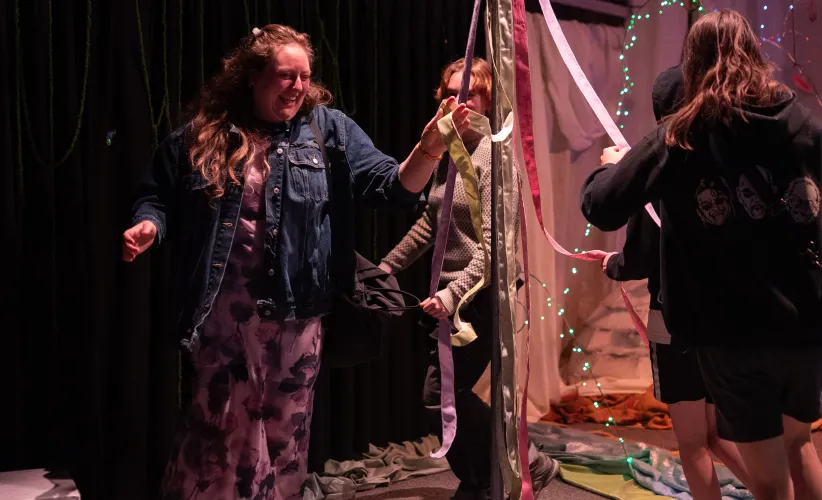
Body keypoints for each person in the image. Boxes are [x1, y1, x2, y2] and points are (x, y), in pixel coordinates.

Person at [123, 24, 471, 500]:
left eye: (305, 76)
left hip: (298, 316)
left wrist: (429, 148)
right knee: (220, 438)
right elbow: (157, 194)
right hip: (224, 319)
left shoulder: (328, 130)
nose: (298, 86)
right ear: (253, 76)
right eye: (286, 76)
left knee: (285, 439)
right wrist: (149, 224)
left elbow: (393, 187)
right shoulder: (207, 135)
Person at [581, 10, 822, 500]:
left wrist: (610, 167)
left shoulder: (680, 135)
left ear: (692, 63)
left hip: (730, 330)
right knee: (800, 446)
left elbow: (602, 206)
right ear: (754, 54)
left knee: (768, 481)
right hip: (805, 324)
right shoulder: (806, 125)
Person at [378, 57, 557, 500]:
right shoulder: (447, 151)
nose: (459, 102)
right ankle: (493, 473)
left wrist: (454, 293)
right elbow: (431, 223)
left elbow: (496, 249)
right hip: (451, 295)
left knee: (442, 394)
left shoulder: (495, 157)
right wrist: (386, 267)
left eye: (470, 94)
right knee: (443, 394)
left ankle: (503, 470)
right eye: (450, 94)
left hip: (481, 294)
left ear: (488, 101)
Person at [601, 65, 751, 500]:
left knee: (693, 442)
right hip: (725, 318)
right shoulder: (729, 161)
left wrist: (613, 263)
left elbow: (640, 256)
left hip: (677, 319)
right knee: (716, 434)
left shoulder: (659, 172)